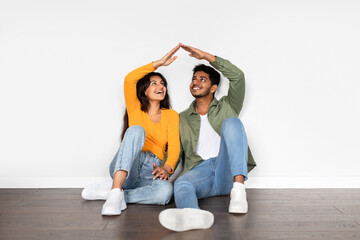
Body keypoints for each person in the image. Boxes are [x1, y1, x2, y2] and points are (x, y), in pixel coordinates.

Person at [159, 44, 256, 231]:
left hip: (226, 168)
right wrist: (166, 168)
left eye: (202, 79)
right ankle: (192, 215)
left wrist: (207, 57)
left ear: (213, 87)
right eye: (194, 79)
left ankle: (238, 192)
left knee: (232, 123)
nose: (196, 82)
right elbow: (175, 151)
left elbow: (238, 77)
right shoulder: (182, 118)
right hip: (200, 170)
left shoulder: (228, 106)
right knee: (182, 183)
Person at [82, 45, 181, 216]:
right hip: (128, 165)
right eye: (154, 83)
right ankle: (115, 192)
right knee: (136, 130)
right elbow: (129, 79)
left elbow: (174, 147)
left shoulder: (171, 115)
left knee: (165, 193)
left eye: (162, 83)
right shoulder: (135, 108)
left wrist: (166, 168)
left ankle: (114, 192)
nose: (161, 86)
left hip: (151, 170)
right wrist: (158, 63)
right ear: (144, 89)